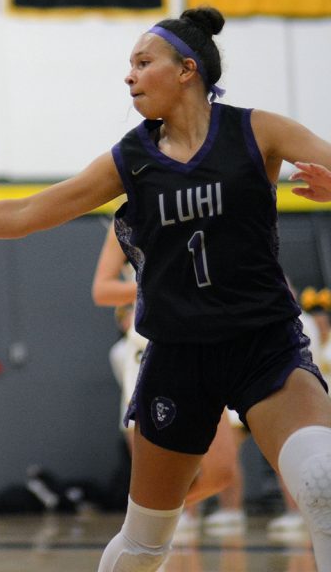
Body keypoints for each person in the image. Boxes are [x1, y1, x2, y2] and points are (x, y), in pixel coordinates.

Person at [0, 6, 331, 571]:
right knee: (145, 543)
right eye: (130, 65)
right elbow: (28, 211)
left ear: (187, 70)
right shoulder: (133, 159)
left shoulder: (257, 130)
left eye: (143, 63)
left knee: (321, 483)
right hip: (177, 355)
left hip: (262, 343)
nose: (129, 76)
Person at [92, 223, 242, 534]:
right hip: (153, 348)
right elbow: (102, 290)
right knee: (158, 474)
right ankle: (146, 530)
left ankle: (149, 520)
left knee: (220, 471)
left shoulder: (207, 204)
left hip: (206, 344)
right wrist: (157, 282)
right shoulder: (128, 221)